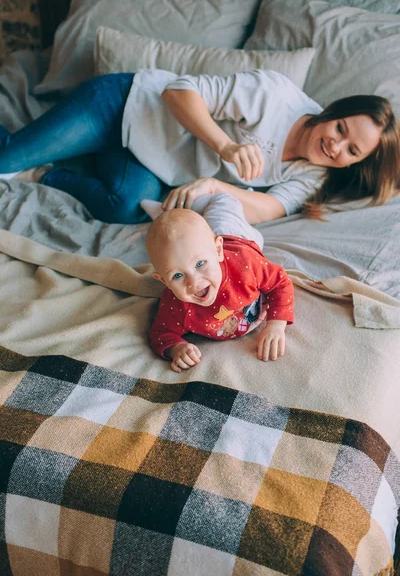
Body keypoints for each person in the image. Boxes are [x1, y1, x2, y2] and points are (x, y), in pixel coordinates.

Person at [0, 70, 399, 224]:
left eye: (352, 151)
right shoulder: (275, 96)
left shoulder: (315, 174)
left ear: (355, 164)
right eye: (341, 128)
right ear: (332, 113)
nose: (336, 145)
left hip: (146, 160)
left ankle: (47, 171)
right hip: (122, 105)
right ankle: (43, 149)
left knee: (124, 207)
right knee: (5, 160)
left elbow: (269, 208)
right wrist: (225, 147)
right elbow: (178, 92)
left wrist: (215, 186)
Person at [146, 193, 294, 373]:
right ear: (163, 281)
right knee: (172, 238)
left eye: (200, 264)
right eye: (177, 275)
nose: (194, 282)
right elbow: (160, 333)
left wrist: (276, 325)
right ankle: (169, 217)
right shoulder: (175, 306)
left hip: (234, 236)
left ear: (217, 251)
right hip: (211, 245)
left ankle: (210, 198)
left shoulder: (246, 267)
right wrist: (176, 348)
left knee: (225, 209)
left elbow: (280, 282)